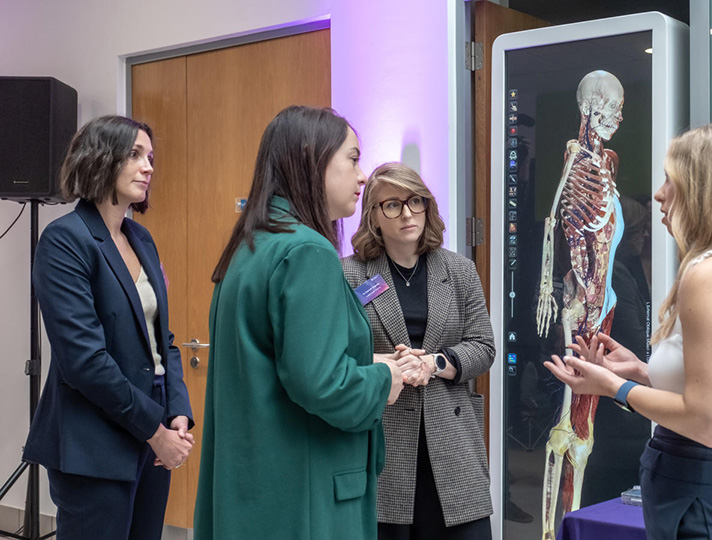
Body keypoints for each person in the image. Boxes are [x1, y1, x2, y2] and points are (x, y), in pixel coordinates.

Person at [544, 122, 712, 540]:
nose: (658, 194)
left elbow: (707, 421)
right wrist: (640, 372)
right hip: (711, 492)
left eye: (671, 178)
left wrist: (612, 386)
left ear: (706, 187)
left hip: (704, 497)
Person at [193, 106, 403, 540]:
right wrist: (384, 378)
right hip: (304, 497)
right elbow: (320, 383)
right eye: (352, 158)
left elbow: (286, 361)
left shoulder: (252, 245)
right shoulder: (308, 252)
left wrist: (366, 360)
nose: (362, 176)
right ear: (313, 160)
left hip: (256, 489)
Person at [24, 115, 194, 540]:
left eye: (150, 156)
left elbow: (163, 339)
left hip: (152, 419)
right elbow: (84, 362)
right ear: (101, 159)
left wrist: (177, 413)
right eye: (135, 155)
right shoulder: (64, 241)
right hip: (93, 437)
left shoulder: (142, 239)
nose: (149, 166)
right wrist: (154, 430)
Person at [342, 162, 495, 540]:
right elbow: (334, 354)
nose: (407, 213)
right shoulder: (348, 275)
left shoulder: (458, 270)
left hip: (452, 440)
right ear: (373, 217)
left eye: (415, 201)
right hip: (383, 441)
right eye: (391, 205)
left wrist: (434, 363)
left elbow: (484, 346)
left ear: (428, 207)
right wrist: (390, 364)